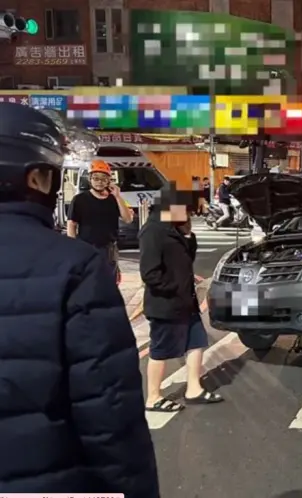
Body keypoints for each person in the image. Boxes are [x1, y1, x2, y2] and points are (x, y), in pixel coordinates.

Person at [0, 103, 159, 495]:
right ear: (36, 178)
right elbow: (108, 413)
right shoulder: (73, 266)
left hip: (101, 253)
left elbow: (125, 218)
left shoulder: (98, 220)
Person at [139, 184, 224, 412]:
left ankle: (193, 389)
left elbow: (187, 257)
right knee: (160, 350)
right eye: (185, 210)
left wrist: (188, 234)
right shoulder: (153, 231)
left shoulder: (173, 228)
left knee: (197, 342)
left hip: (185, 302)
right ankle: (153, 397)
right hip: (165, 304)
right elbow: (149, 273)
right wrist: (175, 289)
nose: (188, 214)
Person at [67, 160, 134, 280]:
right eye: (96, 178)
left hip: (109, 249)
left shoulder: (114, 199)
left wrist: (118, 196)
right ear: (90, 179)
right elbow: (71, 225)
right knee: (88, 282)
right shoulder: (79, 200)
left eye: (103, 178)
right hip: (87, 247)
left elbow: (128, 219)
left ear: (109, 180)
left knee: (110, 282)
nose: (99, 182)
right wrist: (73, 248)